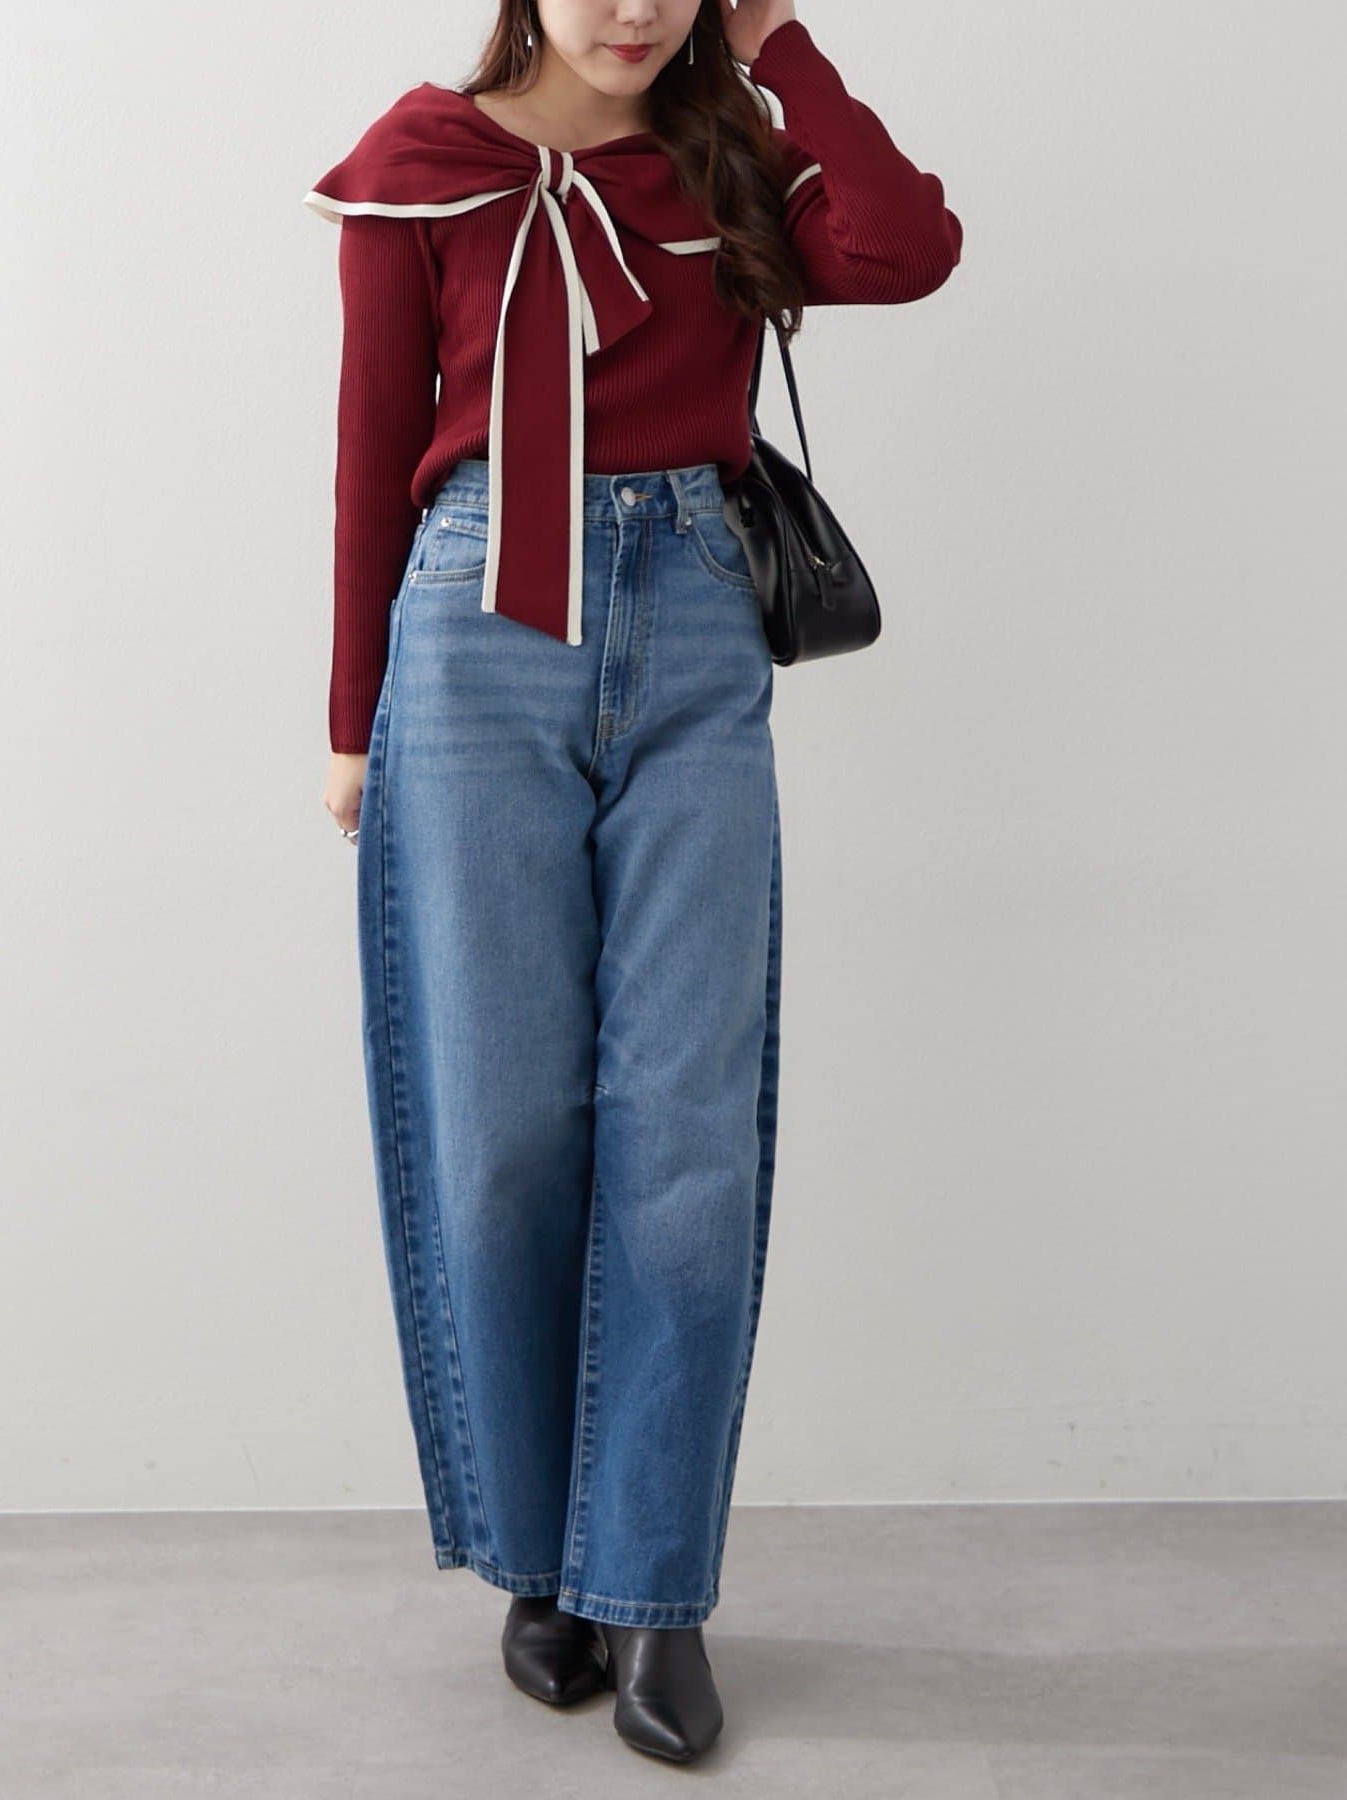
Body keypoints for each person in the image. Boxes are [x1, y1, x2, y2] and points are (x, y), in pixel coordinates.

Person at [306, 0, 961, 1764]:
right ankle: (542, 1561)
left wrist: (783, 46)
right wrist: (352, 721)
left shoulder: (725, 152)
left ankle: (654, 1587)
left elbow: (907, 247)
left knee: (685, 1138)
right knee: (502, 1132)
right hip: (470, 644)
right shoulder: (420, 169)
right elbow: (371, 447)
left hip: (692, 632)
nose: (635, 9)